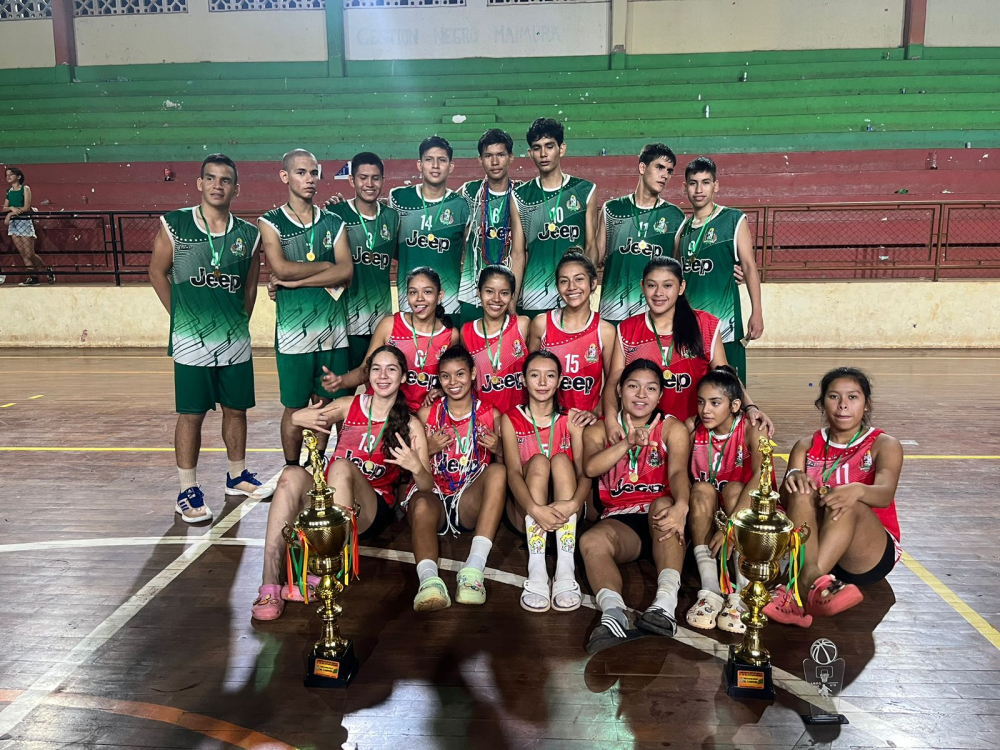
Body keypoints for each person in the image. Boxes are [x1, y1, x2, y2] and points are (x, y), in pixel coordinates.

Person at [252, 345, 434, 621]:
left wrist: (416, 467)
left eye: (391, 369)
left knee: (339, 467)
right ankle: (269, 584)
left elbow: (426, 486)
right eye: (376, 369)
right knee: (290, 475)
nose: (383, 376)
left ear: (404, 378)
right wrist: (296, 418)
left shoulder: (410, 424)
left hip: (369, 508)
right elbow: (295, 424)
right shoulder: (351, 405)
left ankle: (320, 570)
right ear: (368, 376)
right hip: (328, 500)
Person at [148, 154, 268, 523]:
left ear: (235, 187)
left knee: (236, 409)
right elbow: (156, 271)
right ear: (200, 183)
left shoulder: (249, 235)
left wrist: (237, 323)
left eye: (226, 180)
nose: (218, 185)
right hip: (190, 341)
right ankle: (187, 490)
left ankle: (237, 475)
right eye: (211, 178)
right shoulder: (177, 224)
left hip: (233, 339)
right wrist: (181, 317)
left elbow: (250, 289)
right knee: (192, 415)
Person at [763, 367, 903, 628]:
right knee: (802, 491)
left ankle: (793, 590)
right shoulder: (805, 444)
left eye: (852, 397)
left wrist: (857, 490)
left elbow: (885, 493)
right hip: (815, 543)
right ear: (822, 403)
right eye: (834, 397)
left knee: (848, 503)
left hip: (865, 552)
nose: (842, 406)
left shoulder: (884, 444)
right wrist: (793, 479)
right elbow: (784, 499)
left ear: (867, 403)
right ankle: (812, 580)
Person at [580, 358, 691, 653]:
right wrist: (627, 442)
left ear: (660, 395)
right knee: (591, 540)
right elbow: (591, 468)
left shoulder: (671, 428)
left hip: (658, 511)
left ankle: (665, 604)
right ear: (619, 390)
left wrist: (682, 505)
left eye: (651, 388)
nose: (641, 395)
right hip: (620, 518)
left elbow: (679, 472)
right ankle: (614, 612)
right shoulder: (599, 431)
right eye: (633, 386)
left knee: (664, 507)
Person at [604, 257, 773, 441]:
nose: (659, 293)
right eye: (652, 285)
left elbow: (725, 375)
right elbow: (614, 382)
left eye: (667, 286)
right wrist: (611, 421)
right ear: (642, 286)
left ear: (681, 287)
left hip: (693, 431)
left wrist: (751, 407)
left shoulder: (705, 325)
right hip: (644, 434)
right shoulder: (627, 329)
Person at [259, 149, 354, 467]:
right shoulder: (270, 221)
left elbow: (345, 271)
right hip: (293, 335)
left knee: (325, 403)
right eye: (301, 172)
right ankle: (291, 469)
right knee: (295, 406)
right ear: (285, 176)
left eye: (314, 173)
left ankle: (318, 469)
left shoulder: (334, 221)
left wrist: (298, 281)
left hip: (333, 332)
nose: (310, 179)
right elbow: (280, 268)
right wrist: (326, 265)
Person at [407, 346, 507, 611]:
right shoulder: (426, 415)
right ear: (438, 379)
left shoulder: (491, 414)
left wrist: (498, 449)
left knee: (498, 472)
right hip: (434, 495)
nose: (453, 382)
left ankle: (473, 570)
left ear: (473, 373)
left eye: (460, 374)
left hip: (468, 498)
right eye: (445, 376)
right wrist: (427, 449)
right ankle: (429, 582)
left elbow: (506, 468)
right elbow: (410, 467)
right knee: (420, 502)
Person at [501, 351, 590, 613]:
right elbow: (513, 472)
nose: (542, 382)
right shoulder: (511, 418)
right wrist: (535, 509)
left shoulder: (571, 418)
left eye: (550, 375)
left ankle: (565, 569)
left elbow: (586, 472)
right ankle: (537, 569)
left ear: (560, 380)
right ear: (524, 380)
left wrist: (574, 503)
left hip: (568, 514)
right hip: (528, 512)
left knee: (562, 460)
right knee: (539, 461)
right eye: (534, 375)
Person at [684, 365, 769, 633]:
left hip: (744, 518)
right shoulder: (691, 428)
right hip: (709, 519)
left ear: (734, 405)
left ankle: (745, 591)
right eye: (701, 402)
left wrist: (731, 524)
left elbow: (760, 477)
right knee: (700, 489)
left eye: (715, 403)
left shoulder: (752, 429)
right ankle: (710, 590)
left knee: (734, 489)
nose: (705, 410)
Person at [674, 156, 764, 383]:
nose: (699, 189)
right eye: (693, 183)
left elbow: (749, 267)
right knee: (696, 388)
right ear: (685, 187)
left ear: (716, 185)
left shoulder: (733, 219)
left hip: (726, 324)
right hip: (692, 326)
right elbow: (676, 279)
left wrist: (757, 311)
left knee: (730, 385)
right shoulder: (682, 230)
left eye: (705, 182)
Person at [321, 267, 459, 413]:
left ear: (440, 295)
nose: (419, 298)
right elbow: (365, 370)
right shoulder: (390, 325)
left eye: (428, 292)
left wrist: (441, 391)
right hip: (385, 410)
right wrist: (340, 381)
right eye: (413, 292)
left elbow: (451, 377)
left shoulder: (451, 335)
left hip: (423, 414)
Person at [513, 118, 598, 316]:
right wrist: (513, 298)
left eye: (549, 146)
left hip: (573, 297)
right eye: (537, 148)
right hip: (534, 297)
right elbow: (517, 254)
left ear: (562, 149)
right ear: (530, 153)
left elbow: (591, 246)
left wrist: (586, 288)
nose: (543, 154)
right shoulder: (520, 196)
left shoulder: (585, 190)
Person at [327, 152, 401, 370]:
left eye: (375, 178)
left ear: (383, 181)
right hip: (344, 321)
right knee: (342, 386)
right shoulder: (334, 213)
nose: (370, 184)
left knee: (379, 386)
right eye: (363, 177)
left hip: (381, 321)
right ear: (352, 180)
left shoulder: (392, 217)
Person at [597, 144, 685, 325]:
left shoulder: (675, 217)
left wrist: (726, 269)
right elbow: (594, 257)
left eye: (669, 171)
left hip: (653, 316)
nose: (665, 175)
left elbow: (683, 266)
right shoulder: (612, 209)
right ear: (642, 167)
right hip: (612, 312)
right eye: (659, 167)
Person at [529, 250, 615, 424]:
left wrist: (596, 412)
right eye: (564, 281)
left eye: (579, 279)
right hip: (547, 421)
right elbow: (529, 375)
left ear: (593, 283)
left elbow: (612, 381)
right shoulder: (541, 324)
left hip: (585, 422)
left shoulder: (605, 330)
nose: (571, 287)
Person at [389, 136, 470, 316]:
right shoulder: (399, 199)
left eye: (442, 160)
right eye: (429, 160)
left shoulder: (461, 205)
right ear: (420, 164)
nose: (435, 165)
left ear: (451, 166)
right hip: (409, 303)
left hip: (449, 304)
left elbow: (469, 252)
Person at [457, 129, 525, 323]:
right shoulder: (468, 192)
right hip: (473, 293)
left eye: (501, 155)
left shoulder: (522, 193)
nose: (495, 162)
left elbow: (523, 251)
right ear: (480, 159)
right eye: (488, 156)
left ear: (511, 157)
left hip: (508, 293)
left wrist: (513, 297)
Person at [461, 265, 530, 415]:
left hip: (519, 417)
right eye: (489, 291)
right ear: (478, 293)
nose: (496, 299)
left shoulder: (522, 325)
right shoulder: (466, 331)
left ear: (512, 296)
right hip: (483, 418)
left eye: (504, 293)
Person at [3, 167, 52, 286]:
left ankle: (46, 270)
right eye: (6, 175)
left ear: (18, 177)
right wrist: (11, 209)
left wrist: (10, 214)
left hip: (24, 222)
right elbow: (4, 207)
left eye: (11, 174)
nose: (8, 176)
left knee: (29, 253)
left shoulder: (25, 188)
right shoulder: (9, 191)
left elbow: (26, 207)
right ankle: (33, 277)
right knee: (23, 254)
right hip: (14, 224)